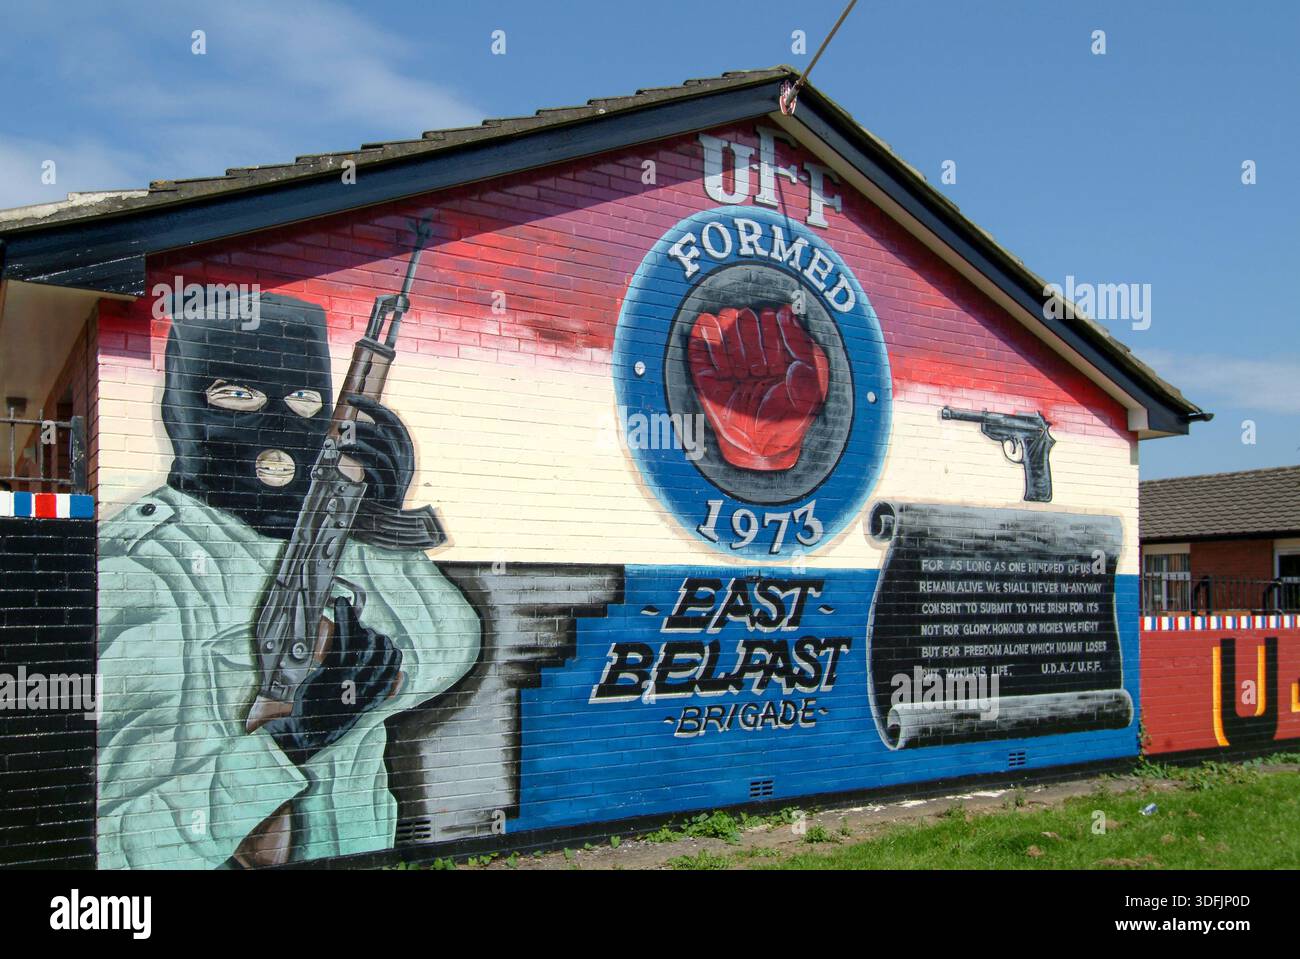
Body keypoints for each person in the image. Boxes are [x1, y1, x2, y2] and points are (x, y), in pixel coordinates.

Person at [97, 293, 480, 869]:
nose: (279, 422)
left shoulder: (333, 538)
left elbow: (444, 654)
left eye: (305, 401)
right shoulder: (141, 571)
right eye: (238, 394)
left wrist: (379, 523)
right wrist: (284, 745)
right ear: (181, 405)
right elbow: (121, 851)